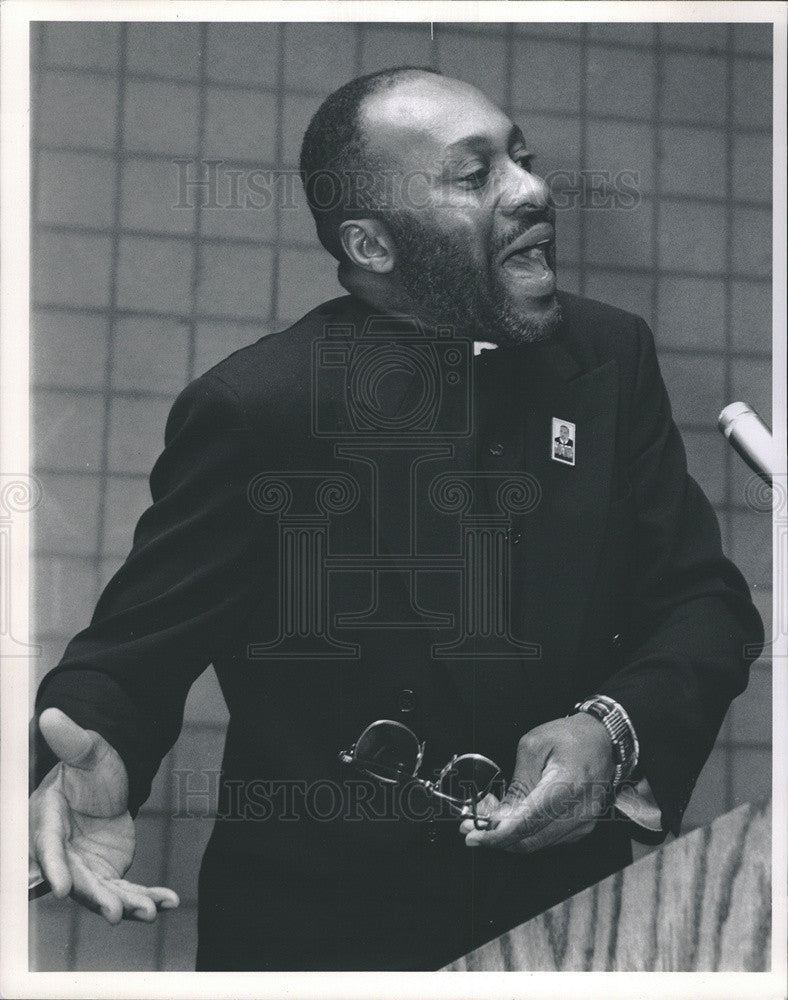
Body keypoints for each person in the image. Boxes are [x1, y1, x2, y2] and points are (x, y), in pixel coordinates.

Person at [29, 67, 763, 971]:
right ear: (373, 245)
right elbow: (134, 652)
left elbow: (705, 604)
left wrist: (615, 730)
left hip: (582, 925)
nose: (531, 189)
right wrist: (97, 750)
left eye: (522, 158)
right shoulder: (260, 406)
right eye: (475, 174)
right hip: (325, 939)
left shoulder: (608, 356)